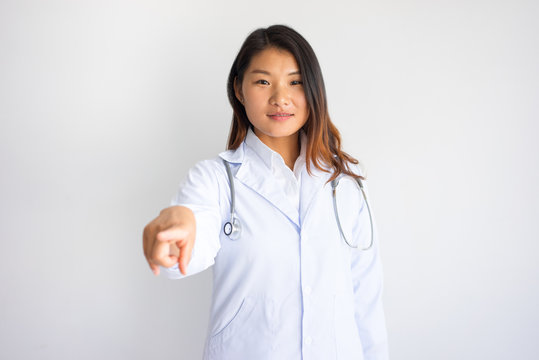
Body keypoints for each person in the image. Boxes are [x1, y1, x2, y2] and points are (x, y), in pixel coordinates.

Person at [143, 24, 389, 360]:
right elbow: (187, 241)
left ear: (313, 89)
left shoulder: (347, 182)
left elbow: (366, 300)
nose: (280, 98)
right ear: (239, 90)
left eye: (295, 81)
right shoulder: (216, 179)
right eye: (263, 81)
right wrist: (175, 234)